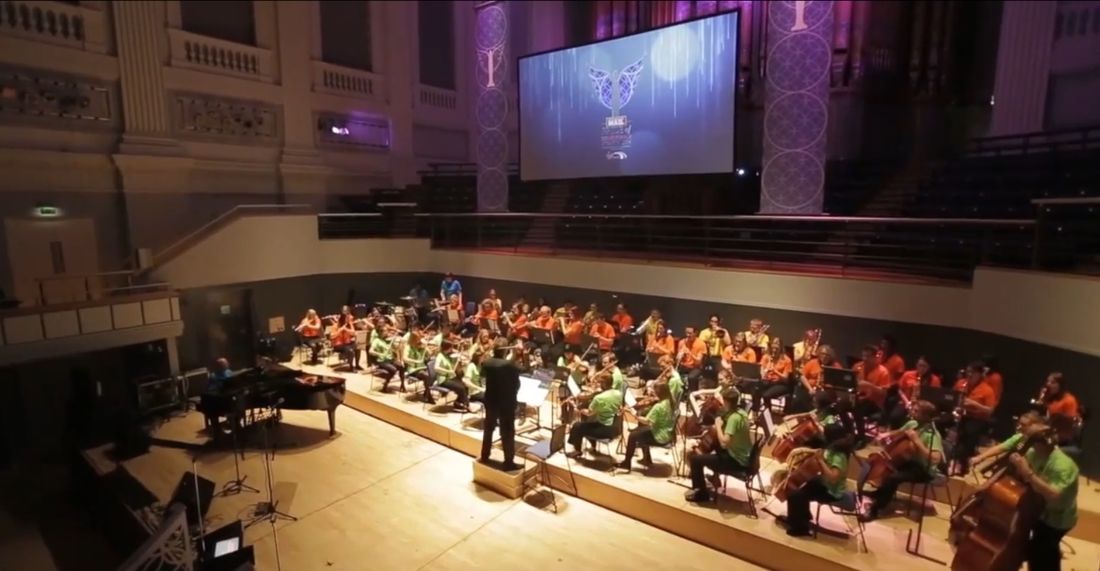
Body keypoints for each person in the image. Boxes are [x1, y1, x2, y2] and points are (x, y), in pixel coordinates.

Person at [1009, 422, 1079, 571]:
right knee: (1038, 553)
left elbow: (1053, 494)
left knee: (1042, 553)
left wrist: (1028, 473)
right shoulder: (1033, 453)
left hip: (1057, 518)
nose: (1026, 444)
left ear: (1041, 443)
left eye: (1029, 440)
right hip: (1039, 510)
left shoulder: (1063, 465)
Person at [860, 400, 944, 521]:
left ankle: (875, 510)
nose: (911, 412)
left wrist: (917, 441)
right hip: (909, 461)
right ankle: (880, 494)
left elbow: (936, 459)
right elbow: (899, 432)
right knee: (889, 469)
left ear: (926, 416)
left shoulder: (933, 435)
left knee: (893, 478)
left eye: (916, 411)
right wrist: (885, 435)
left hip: (923, 469)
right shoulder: (913, 424)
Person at [780, 422, 854, 537]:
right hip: (825, 484)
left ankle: (800, 528)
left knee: (795, 494)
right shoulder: (835, 448)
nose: (823, 436)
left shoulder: (839, 456)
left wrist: (820, 461)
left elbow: (833, 478)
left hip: (831, 491)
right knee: (802, 486)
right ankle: (801, 517)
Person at [685, 386, 752, 503]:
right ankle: (715, 477)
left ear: (726, 402)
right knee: (712, 443)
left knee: (695, 460)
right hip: (743, 455)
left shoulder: (734, 419)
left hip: (735, 461)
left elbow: (724, 443)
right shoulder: (742, 413)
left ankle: (701, 493)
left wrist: (719, 426)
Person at [480, 345, 524, 470]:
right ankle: (508, 462)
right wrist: (521, 354)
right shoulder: (509, 365)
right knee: (507, 432)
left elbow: (483, 375)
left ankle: (484, 455)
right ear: (505, 351)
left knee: (488, 429)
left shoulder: (487, 363)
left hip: (491, 401)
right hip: (506, 403)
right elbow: (521, 376)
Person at [951, 361, 999, 474]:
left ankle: (961, 464)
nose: (969, 374)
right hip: (959, 414)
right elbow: (951, 397)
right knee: (939, 422)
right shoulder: (961, 383)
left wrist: (975, 404)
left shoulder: (987, 390)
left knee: (968, 433)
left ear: (980, 374)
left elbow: (990, 411)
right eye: (968, 371)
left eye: (973, 372)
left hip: (977, 418)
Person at [616, 382, 675, 472]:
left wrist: (633, 414)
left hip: (659, 436)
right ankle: (647, 459)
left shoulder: (658, 407)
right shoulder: (669, 402)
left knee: (632, 436)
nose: (653, 393)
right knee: (639, 431)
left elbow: (646, 421)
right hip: (667, 432)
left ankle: (626, 463)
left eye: (655, 391)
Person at [567, 374, 622, 456]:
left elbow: (589, 413)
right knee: (589, 423)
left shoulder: (599, 398)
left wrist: (575, 406)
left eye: (599, 383)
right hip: (616, 428)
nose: (598, 385)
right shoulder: (618, 393)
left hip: (605, 430)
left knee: (577, 426)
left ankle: (577, 451)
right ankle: (593, 446)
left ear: (603, 384)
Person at [889, 356, 941, 428]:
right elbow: (900, 390)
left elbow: (935, 396)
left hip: (923, 406)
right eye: (919, 365)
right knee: (895, 416)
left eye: (924, 366)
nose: (921, 368)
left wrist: (920, 406)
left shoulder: (935, 380)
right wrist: (907, 402)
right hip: (907, 402)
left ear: (929, 367)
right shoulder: (908, 374)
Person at [755, 337, 793, 412]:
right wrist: (764, 374)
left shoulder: (787, 360)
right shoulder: (766, 357)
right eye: (773, 349)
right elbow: (761, 370)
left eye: (776, 349)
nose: (774, 351)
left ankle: (767, 414)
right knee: (756, 390)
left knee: (766, 395)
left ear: (781, 348)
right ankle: (755, 412)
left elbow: (785, 378)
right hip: (768, 381)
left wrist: (775, 371)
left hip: (781, 384)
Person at [677, 326, 706, 391]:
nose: (687, 335)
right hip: (684, 366)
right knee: (674, 375)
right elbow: (677, 359)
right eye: (686, 333)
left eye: (690, 333)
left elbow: (698, 361)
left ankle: (692, 394)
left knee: (691, 377)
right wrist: (680, 356)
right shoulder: (682, 342)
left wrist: (689, 353)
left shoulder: (701, 344)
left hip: (695, 367)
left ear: (695, 333)